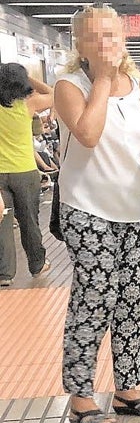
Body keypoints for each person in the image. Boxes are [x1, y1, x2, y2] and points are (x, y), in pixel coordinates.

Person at [53, 4, 140, 423]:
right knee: (93, 299)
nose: (107, 43)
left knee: (133, 301)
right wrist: (103, 77)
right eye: (96, 37)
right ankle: (81, 397)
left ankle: (128, 390)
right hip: (87, 210)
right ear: (80, 45)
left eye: (113, 35)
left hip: (136, 211)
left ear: (124, 39)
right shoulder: (69, 85)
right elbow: (86, 135)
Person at [0, 63, 54, 287]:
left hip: (0, 174)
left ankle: (5, 274)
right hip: (25, 172)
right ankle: (37, 264)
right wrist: (29, 78)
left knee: (2, 223)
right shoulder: (29, 103)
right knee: (29, 221)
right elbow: (54, 93)